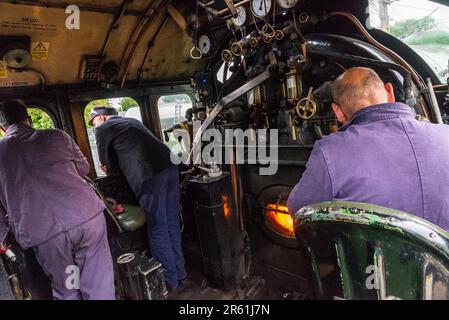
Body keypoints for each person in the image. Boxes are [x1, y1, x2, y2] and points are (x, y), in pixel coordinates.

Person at [287, 67, 449, 232]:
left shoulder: (329, 152)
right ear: (389, 91)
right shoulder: (446, 135)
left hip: (377, 257)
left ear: (338, 112)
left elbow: (299, 210)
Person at [0, 100, 115, 300]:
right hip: (86, 220)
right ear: (28, 120)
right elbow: (83, 169)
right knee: (98, 281)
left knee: (69, 288)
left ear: (3, 128)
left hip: (46, 235)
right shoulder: (57, 136)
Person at [89, 106, 186, 291]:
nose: (94, 127)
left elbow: (106, 162)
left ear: (100, 118)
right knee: (172, 223)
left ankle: (169, 282)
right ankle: (180, 274)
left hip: (149, 175)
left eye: (93, 122)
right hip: (171, 167)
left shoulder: (102, 129)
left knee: (158, 229)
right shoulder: (132, 121)